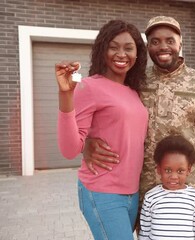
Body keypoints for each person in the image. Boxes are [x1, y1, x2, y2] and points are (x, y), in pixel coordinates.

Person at [81, 16, 195, 229]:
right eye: (155, 41)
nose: (163, 46)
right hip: (141, 189)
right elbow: (105, 112)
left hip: (185, 190)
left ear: (180, 43)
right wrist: (86, 143)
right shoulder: (135, 81)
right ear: (147, 47)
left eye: (170, 40)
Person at [55, 19, 148, 240]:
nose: (121, 54)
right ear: (102, 49)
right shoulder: (89, 86)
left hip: (132, 193)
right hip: (102, 190)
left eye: (128, 47)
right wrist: (66, 95)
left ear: (137, 53)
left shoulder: (134, 92)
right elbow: (69, 149)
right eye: (113, 46)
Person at [138, 135, 195, 239]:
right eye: (168, 170)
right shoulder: (150, 197)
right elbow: (144, 233)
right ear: (159, 169)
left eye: (180, 171)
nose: (174, 177)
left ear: (188, 170)